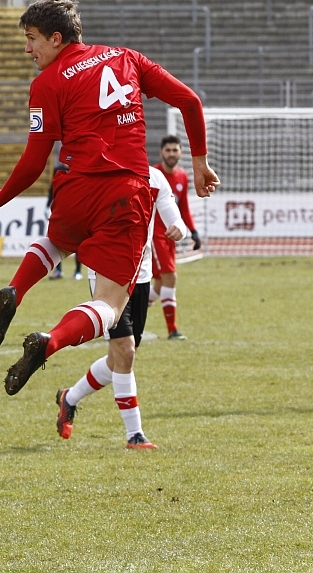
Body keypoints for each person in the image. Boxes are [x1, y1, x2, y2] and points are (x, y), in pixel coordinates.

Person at [0, 0, 218, 396]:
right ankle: (50, 341)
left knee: (57, 241)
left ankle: (15, 289)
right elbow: (190, 101)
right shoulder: (128, 58)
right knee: (110, 305)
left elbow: (34, 162)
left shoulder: (46, 84)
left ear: (56, 38)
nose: (27, 49)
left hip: (75, 187)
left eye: (32, 39)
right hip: (126, 193)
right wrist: (199, 163)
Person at [56, 164, 185, 449]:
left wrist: (180, 227)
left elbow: (172, 214)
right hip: (105, 275)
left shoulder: (154, 177)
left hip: (141, 276)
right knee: (126, 352)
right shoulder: (102, 175)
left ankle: (69, 397)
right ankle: (134, 434)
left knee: (117, 360)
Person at [149, 135, 202, 341]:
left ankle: (129, 314)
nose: (171, 154)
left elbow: (183, 208)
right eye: (168, 150)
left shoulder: (182, 176)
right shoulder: (153, 175)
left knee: (160, 284)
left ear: (181, 152)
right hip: (155, 236)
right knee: (170, 278)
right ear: (161, 152)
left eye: (175, 150)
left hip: (172, 236)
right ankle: (172, 330)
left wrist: (193, 230)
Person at [46, 160, 82, 280]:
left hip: (77, 208)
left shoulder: (81, 168)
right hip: (60, 208)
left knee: (78, 241)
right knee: (56, 240)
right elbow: (53, 188)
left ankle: (77, 271)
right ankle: (58, 270)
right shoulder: (58, 169)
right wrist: (47, 204)